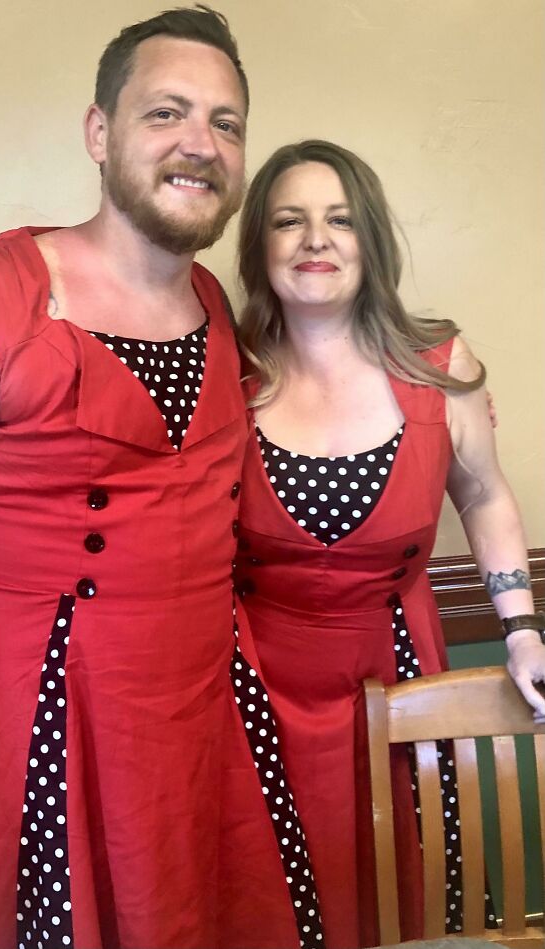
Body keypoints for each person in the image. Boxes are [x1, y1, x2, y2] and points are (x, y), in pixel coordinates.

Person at [0, 9, 310, 949]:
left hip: (202, 732)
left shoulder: (217, 307)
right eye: (166, 113)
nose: (200, 143)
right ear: (99, 134)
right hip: (31, 729)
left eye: (225, 122)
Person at [231, 139, 545, 949]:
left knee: (400, 882)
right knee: (260, 891)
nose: (314, 240)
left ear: (371, 237)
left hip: (397, 671)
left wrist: (520, 626)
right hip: (250, 684)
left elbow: (483, 493)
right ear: (257, 245)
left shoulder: (440, 362)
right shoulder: (226, 373)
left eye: (339, 219)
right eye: (288, 221)